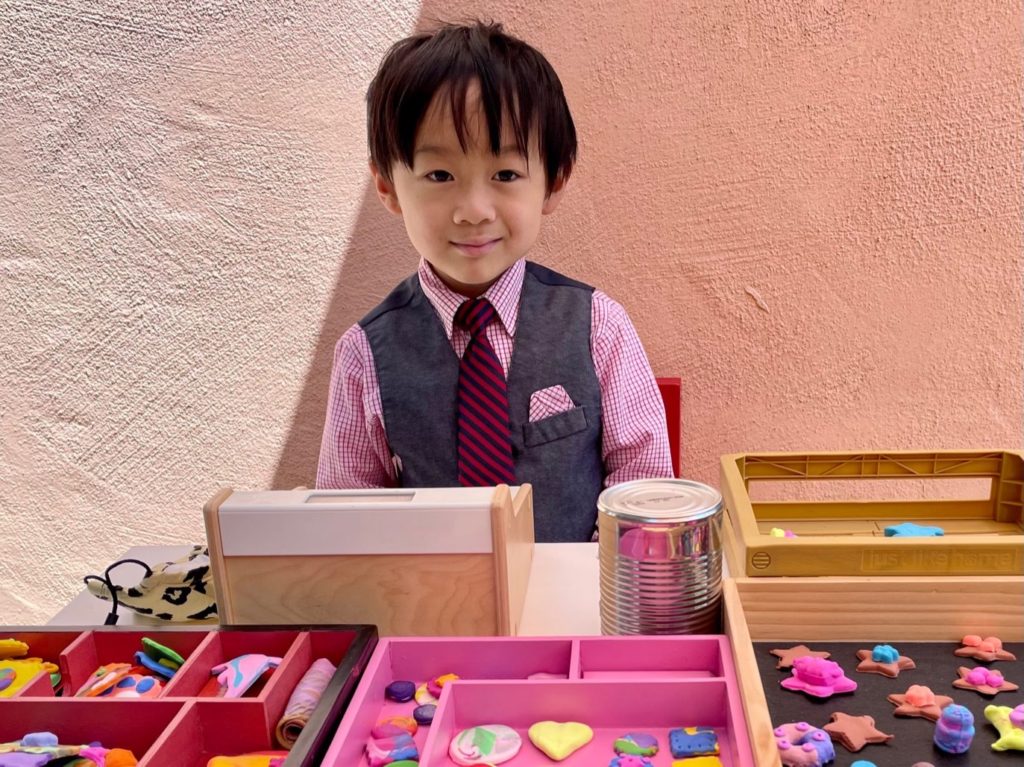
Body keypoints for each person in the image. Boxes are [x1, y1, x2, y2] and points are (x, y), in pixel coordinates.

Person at [316, 20, 672, 541]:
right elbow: (345, 523)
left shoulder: (599, 325)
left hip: (578, 606)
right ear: (389, 187)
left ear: (553, 181)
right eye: (440, 176)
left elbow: (646, 487)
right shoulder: (364, 355)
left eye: (505, 175)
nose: (474, 211)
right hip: (430, 614)